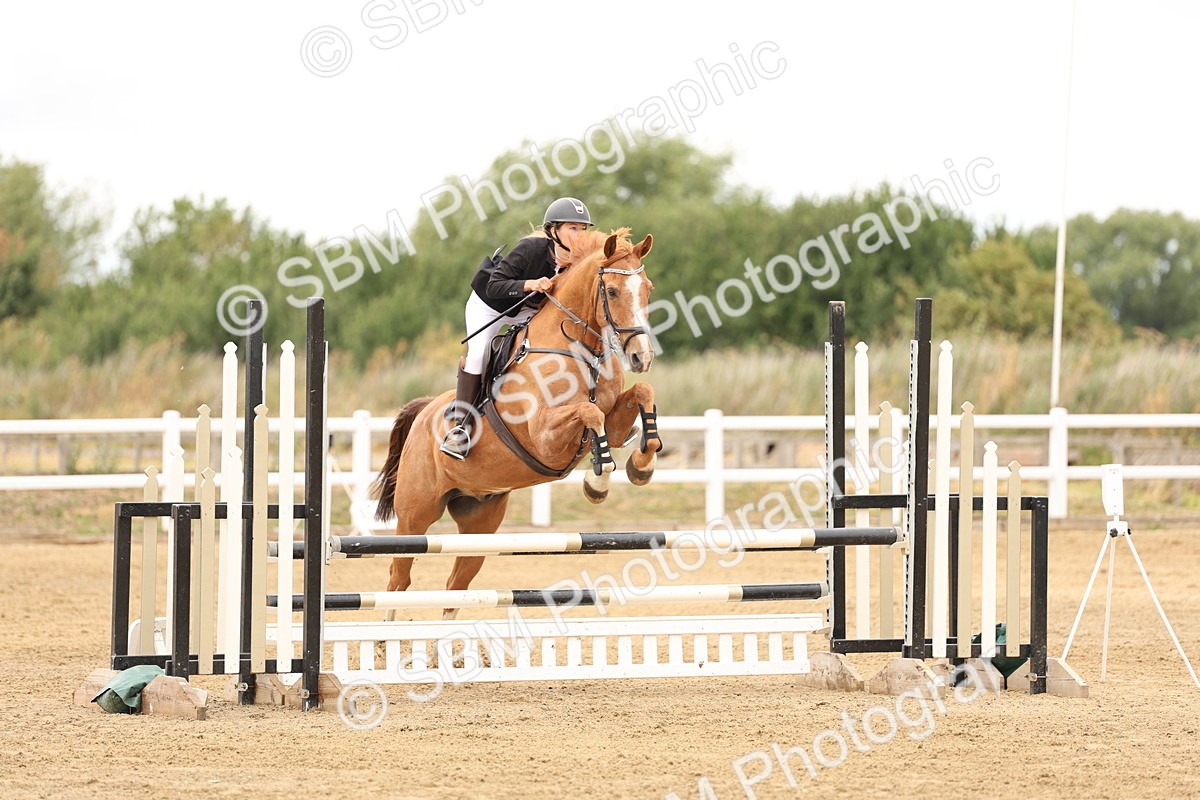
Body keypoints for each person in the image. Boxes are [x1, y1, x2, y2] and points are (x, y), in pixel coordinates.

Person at [440, 197, 594, 460]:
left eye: (583, 229)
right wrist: (530, 284)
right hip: (489, 305)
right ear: (553, 230)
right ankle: (460, 427)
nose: (579, 236)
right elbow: (494, 285)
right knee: (478, 355)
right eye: (572, 228)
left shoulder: (580, 261)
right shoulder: (530, 249)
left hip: (527, 309)